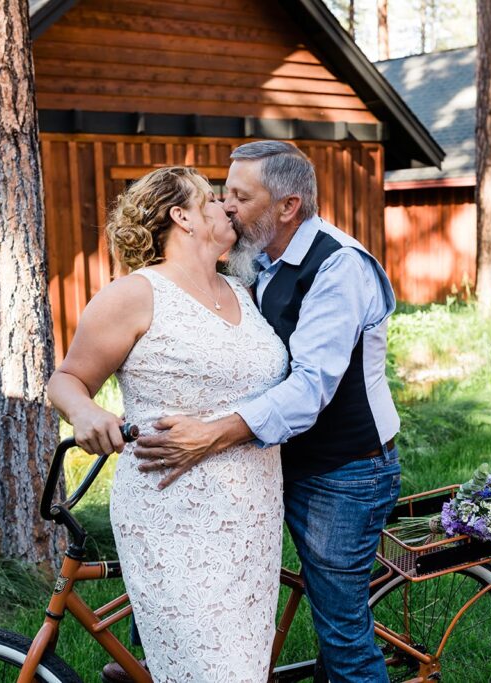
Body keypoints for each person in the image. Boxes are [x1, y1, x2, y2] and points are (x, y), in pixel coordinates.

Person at [134, 141, 402, 683]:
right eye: (223, 192)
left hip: (344, 471)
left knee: (342, 632)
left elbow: (308, 390)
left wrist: (211, 434)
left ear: (288, 206)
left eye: (240, 195)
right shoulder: (256, 258)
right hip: (270, 460)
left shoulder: (339, 267)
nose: (226, 205)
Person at [46, 167, 288, 682]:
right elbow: (66, 379)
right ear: (181, 216)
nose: (227, 206)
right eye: (211, 198)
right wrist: (87, 412)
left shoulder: (241, 290)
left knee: (246, 667)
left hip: (254, 515)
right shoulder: (134, 295)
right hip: (173, 514)